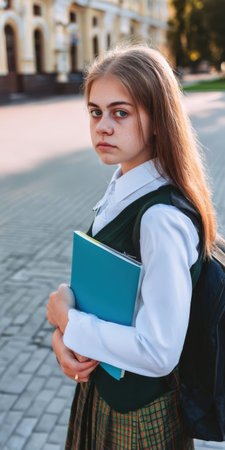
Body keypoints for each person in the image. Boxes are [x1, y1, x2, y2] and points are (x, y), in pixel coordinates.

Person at [47, 44, 216, 449]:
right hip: (104, 393)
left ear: (157, 119)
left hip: (140, 416)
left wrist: (70, 323)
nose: (103, 126)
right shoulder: (124, 184)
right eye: (95, 111)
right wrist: (63, 336)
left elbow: (159, 351)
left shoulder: (161, 218)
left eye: (120, 112)